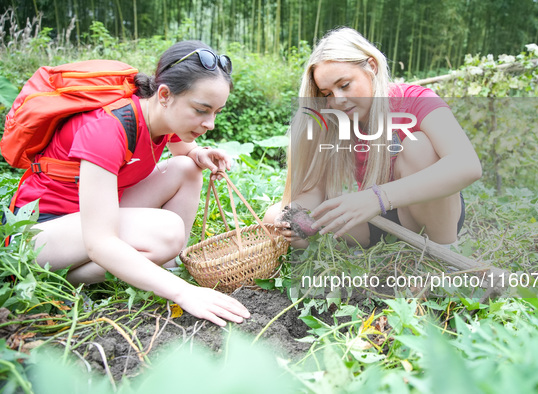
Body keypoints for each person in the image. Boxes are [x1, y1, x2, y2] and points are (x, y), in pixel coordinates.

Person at [12, 40, 250, 327]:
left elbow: (184, 154)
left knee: (187, 168)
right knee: (166, 231)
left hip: (88, 217)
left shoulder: (161, 117)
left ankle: (165, 265)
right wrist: (183, 293)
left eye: (216, 112)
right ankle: (59, 277)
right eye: (201, 110)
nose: (210, 123)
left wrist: (200, 153)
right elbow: (99, 242)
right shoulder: (108, 127)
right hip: (40, 234)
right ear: (164, 95)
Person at [264, 27, 482, 250]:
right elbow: (314, 189)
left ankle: (442, 254)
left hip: (430, 212)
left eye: (344, 85)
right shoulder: (333, 118)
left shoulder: (415, 99)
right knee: (274, 217)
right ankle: (392, 247)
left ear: (372, 67)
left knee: (419, 147)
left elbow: (467, 165)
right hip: (379, 221)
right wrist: (297, 215)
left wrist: (378, 198)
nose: (337, 99)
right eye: (327, 93)